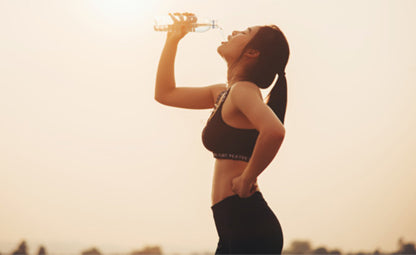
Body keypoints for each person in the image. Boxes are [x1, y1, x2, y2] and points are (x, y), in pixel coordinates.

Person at [154, 12, 289, 254]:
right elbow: (165, 94)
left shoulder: (243, 91)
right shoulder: (224, 93)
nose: (233, 32)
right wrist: (172, 40)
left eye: (244, 33)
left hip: (249, 226)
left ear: (252, 52)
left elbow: (275, 131)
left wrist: (248, 177)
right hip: (232, 227)